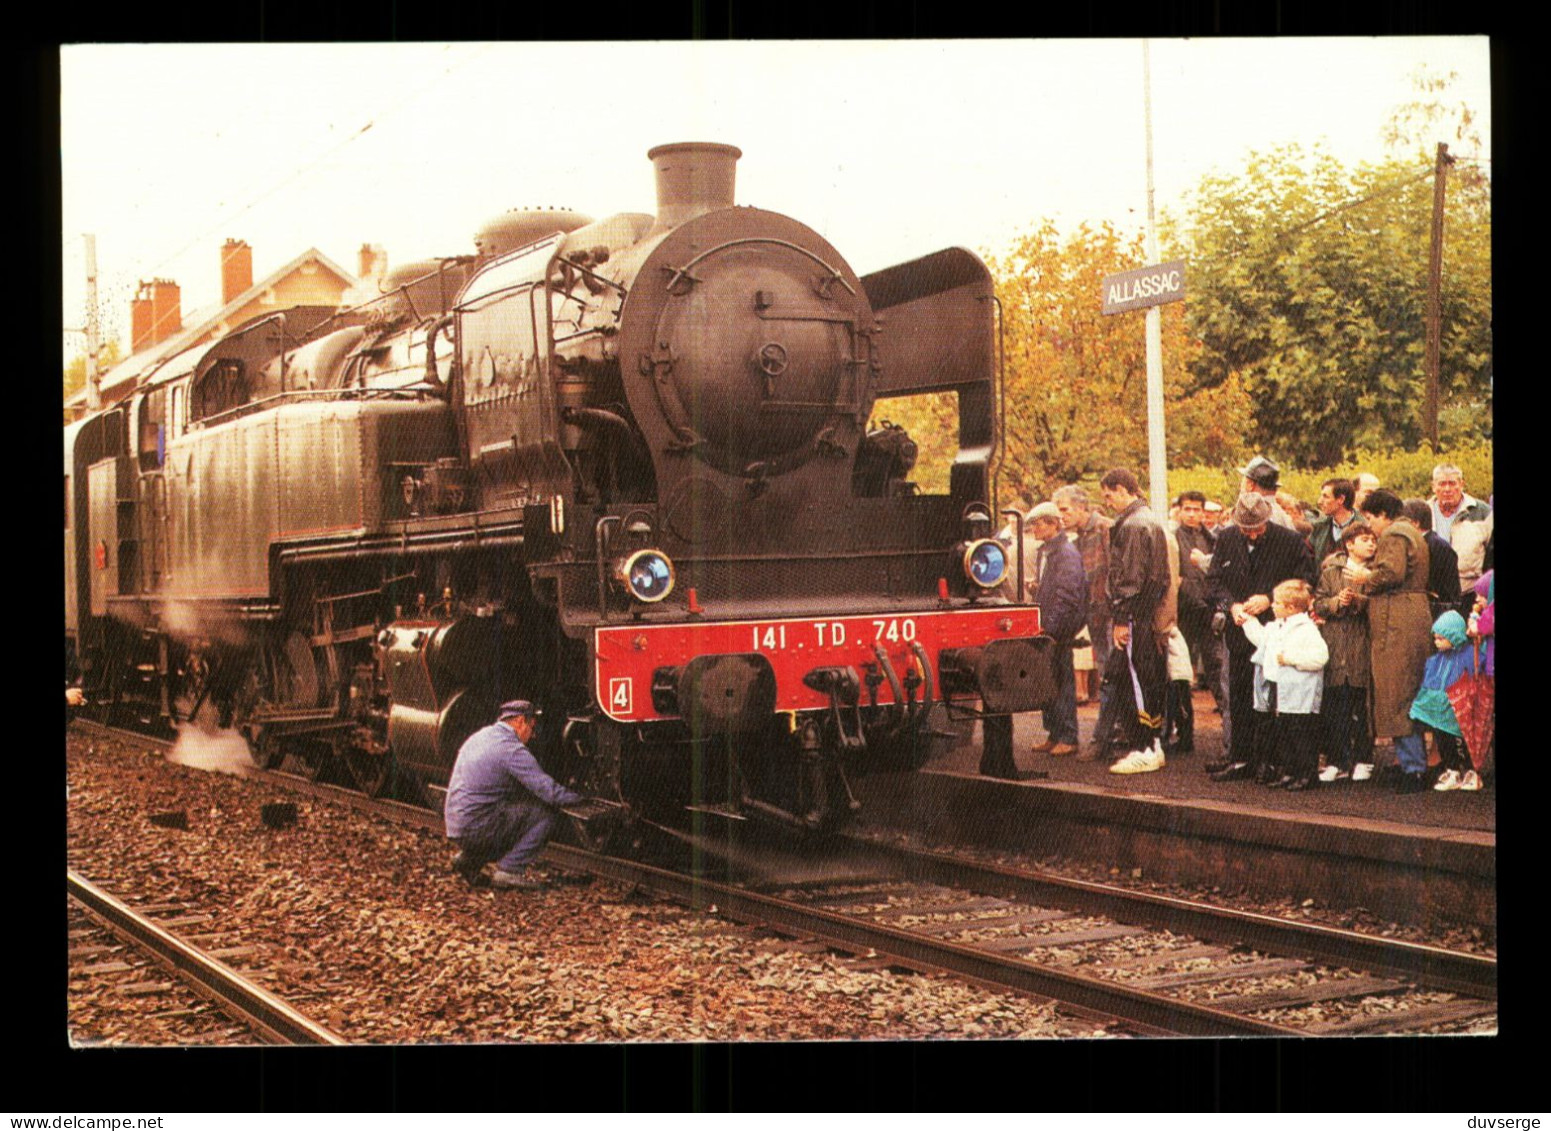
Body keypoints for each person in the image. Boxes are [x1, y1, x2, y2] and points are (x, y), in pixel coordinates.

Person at [1205, 492, 1316, 782]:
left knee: (1275, 698)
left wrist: (1269, 599)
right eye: (1246, 529)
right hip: (1241, 629)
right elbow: (1213, 581)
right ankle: (1241, 757)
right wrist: (1232, 605)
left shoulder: (1290, 540)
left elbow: (1307, 578)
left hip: (1278, 628)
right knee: (1240, 694)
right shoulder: (1227, 539)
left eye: (1257, 528)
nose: (1251, 534)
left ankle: (1275, 762)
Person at [443, 700, 584, 890]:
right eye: (531, 727)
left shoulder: (480, 736)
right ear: (519, 721)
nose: (533, 736)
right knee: (546, 815)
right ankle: (510, 870)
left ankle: (469, 859)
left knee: (511, 812)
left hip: (456, 825)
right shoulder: (511, 749)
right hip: (478, 827)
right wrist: (580, 798)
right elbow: (548, 791)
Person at [1357, 489, 1435, 794]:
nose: (1370, 528)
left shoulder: (1393, 534)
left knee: (1397, 690)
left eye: (1370, 518)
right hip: (1412, 615)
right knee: (1407, 689)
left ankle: (1413, 767)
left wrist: (1364, 577)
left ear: (1381, 515)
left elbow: (1391, 572)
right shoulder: (1412, 531)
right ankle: (1410, 762)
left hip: (1397, 620)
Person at [1094, 469, 1171, 775]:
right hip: (1144, 614)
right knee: (1139, 678)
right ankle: (1148, 743)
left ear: (1123, 489)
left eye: (1109, 494)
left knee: (1135, 681)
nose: (1108, 501)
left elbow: (1131, 576)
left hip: (1135, 616)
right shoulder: (1146, 520)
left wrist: (1123, 617)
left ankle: (1146, 746)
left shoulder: (1135, 526)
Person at [1239, 579, 1328, 790]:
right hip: (1284, 692)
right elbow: (1261, 639)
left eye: (1277, 603)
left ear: (1290, 608)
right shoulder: (1276, 626)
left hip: (1301, 694)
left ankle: (1307, 774)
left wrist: (1290, 659)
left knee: (1301, 734)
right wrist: (1248, 622)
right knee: (1285, 732)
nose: (1273, 606)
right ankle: (1289, 771)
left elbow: (1320, 657)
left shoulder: (1307, 629)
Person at [1023, 502, 1087, 758]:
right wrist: (1038, 588)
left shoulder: (1066, 553)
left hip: (1057, 629)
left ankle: (1068, 736)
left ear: (1052, 524)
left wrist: (1050, 627)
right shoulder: (1048, 552)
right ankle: (1055, 733)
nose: (1034, 528)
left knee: (1061, 682)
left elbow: (1068, 595)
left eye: (1038, 523)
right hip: (1049, 625)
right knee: (1048, 682)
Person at [1313, 522, 1376, 782]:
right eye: (1365, 539)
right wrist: (1337, 602)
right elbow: (1319, 602)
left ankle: (1364, 758)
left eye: (1373, 539)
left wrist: (1359, 601)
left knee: (1361, 705)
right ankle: (1338, 760)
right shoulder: (1331, 571)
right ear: (1349, 544)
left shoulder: (1375, 572)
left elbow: (1378, 605)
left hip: (1362, 643)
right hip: (1335, 642)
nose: (1371, 543)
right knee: (1335, 705)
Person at [1053, 485, 1114, 739]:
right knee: (1105, 672)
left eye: (1064, 509)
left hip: (1111, 615)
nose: (1061, 516)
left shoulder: (1106, 529)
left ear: (1081, 507)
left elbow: (1116, 572)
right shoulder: (1076, 539)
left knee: (1111, 674)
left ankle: (1105, 735)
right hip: (1095, 616)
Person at [1407, 611, 1484, 792]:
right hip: (1441, 711)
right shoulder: (1436, 660)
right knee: (1444, 741)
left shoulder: (1468, 656)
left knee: (1464, 741)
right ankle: (1453, 770)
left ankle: (1472, 771)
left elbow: (1476, 675)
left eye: (1441, 638)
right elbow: (1429, 683)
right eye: (1435, 638)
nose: (1437, 642)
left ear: (1453, 636)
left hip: (1459, 709)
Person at [1175, 491, 1225, 713]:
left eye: (1197, 509)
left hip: (1208, 610)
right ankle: (1182, 726)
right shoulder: (1173, 538)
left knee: (1215, 664)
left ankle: (1227, 716)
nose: (1192, 514)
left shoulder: (1213, 539)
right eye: (1188, 509)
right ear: (1179, 511)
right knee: (1180, 670)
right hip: (1183, 610)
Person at [1428, 463, 1493, 592]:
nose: (1447, 489)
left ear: (1462, 484)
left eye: (1452, 483)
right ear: (1433, 487)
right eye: (1442, 484)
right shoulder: (1424, 512)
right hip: (1432, 592)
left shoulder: (1483, 512)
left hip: (1470, 592)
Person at [1403, 499, 1463, 620]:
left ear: (1415, 523)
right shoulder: (1419, 544)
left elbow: (1448, 591)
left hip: (1438, 615)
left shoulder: (1437, 546)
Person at [1310, 477, 1360, 568]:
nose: (1319, 502)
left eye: (1325, 497)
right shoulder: (1318, 527)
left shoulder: (1364, 528)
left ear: (1341, 499)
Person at [1236, 457, 1296, 531]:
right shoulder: (1284, 517)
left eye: (1243, 481)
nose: (1241, 485)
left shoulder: (1247, 518)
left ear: (1250, 485)